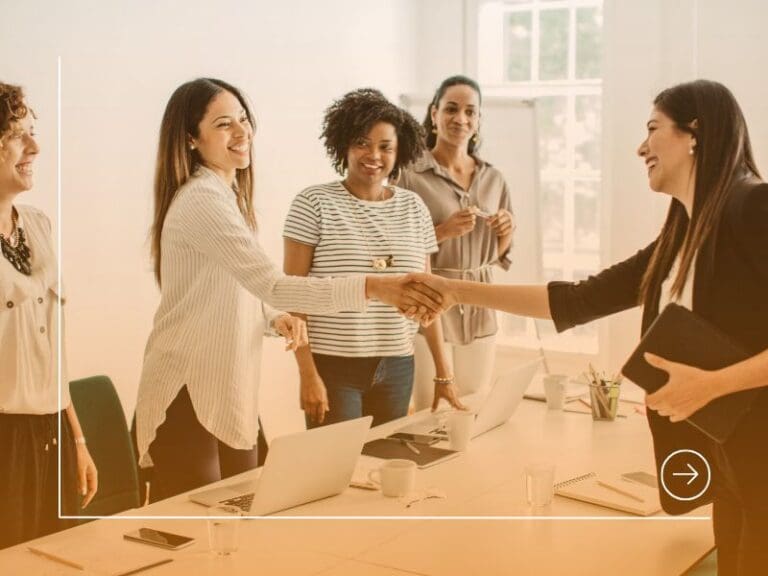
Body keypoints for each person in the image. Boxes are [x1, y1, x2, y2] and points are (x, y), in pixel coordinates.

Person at [413, 80, 768, 575]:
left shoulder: (755, 207)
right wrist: (454, 290)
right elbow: (576, 301)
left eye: (652, 130)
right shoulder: (684, 230)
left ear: (695, 134)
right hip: (732, 465)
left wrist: (712, 386)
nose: (641, 147)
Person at [135, 79, 441, 503]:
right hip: (188, 386)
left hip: (226, 385)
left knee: (244, 513)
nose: (242, 132)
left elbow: (239, 292)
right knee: (203, 532)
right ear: (191, 138)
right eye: (224, 124)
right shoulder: (202, 199)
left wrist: (273, 318)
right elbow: (274, 283)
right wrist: (374, 287)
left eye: (243, 119)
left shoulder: (225, 196)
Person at [283, 89, 464, 428]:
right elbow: (293, 297)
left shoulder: (414, 208)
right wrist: (307, 374)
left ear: (400, 152)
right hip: (334, 366)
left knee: (387, 467)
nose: (373, 155)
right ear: (344, 145)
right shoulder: (313, 203)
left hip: (398, 365)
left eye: (386, 147)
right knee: (336, 469)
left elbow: (430, 299)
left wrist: (443, 373)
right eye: (362, 143)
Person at [0, 82, 97, 549]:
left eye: (32, 133)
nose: (35, 147)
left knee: (59, 557)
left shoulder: (38, 223)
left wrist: (77, 439)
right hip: (5, 435)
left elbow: (51, 347)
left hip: (52, 429)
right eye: (19, 135)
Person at [398, 75, 514, 411]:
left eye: (469, 111)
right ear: (434, 114)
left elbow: (499, 257)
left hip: (481, 304)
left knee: (475, 403)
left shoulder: (494, 178)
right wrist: (443, 231)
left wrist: (505, 232)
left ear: (478, 121)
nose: (460, 118)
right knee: (428, 407)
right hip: (429, 303)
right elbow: (397, 248)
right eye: (451, 109)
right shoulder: (409, 175)